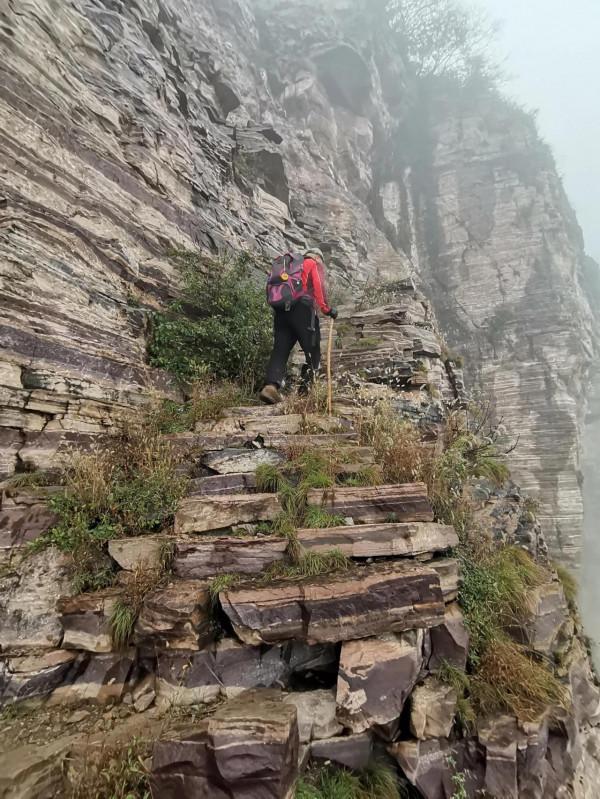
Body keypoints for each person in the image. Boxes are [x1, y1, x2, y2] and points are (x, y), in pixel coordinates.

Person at [260, 248, 338, 404]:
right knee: (313, 352)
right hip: (303, 309)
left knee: (280, 350)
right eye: (321, 260)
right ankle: (304, 395)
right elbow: (318, 286)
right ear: (317, 256)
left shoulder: (288, 267)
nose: (321, 264)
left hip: (282, 312)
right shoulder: (311, 263)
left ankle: (271, 386)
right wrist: (327, 309)